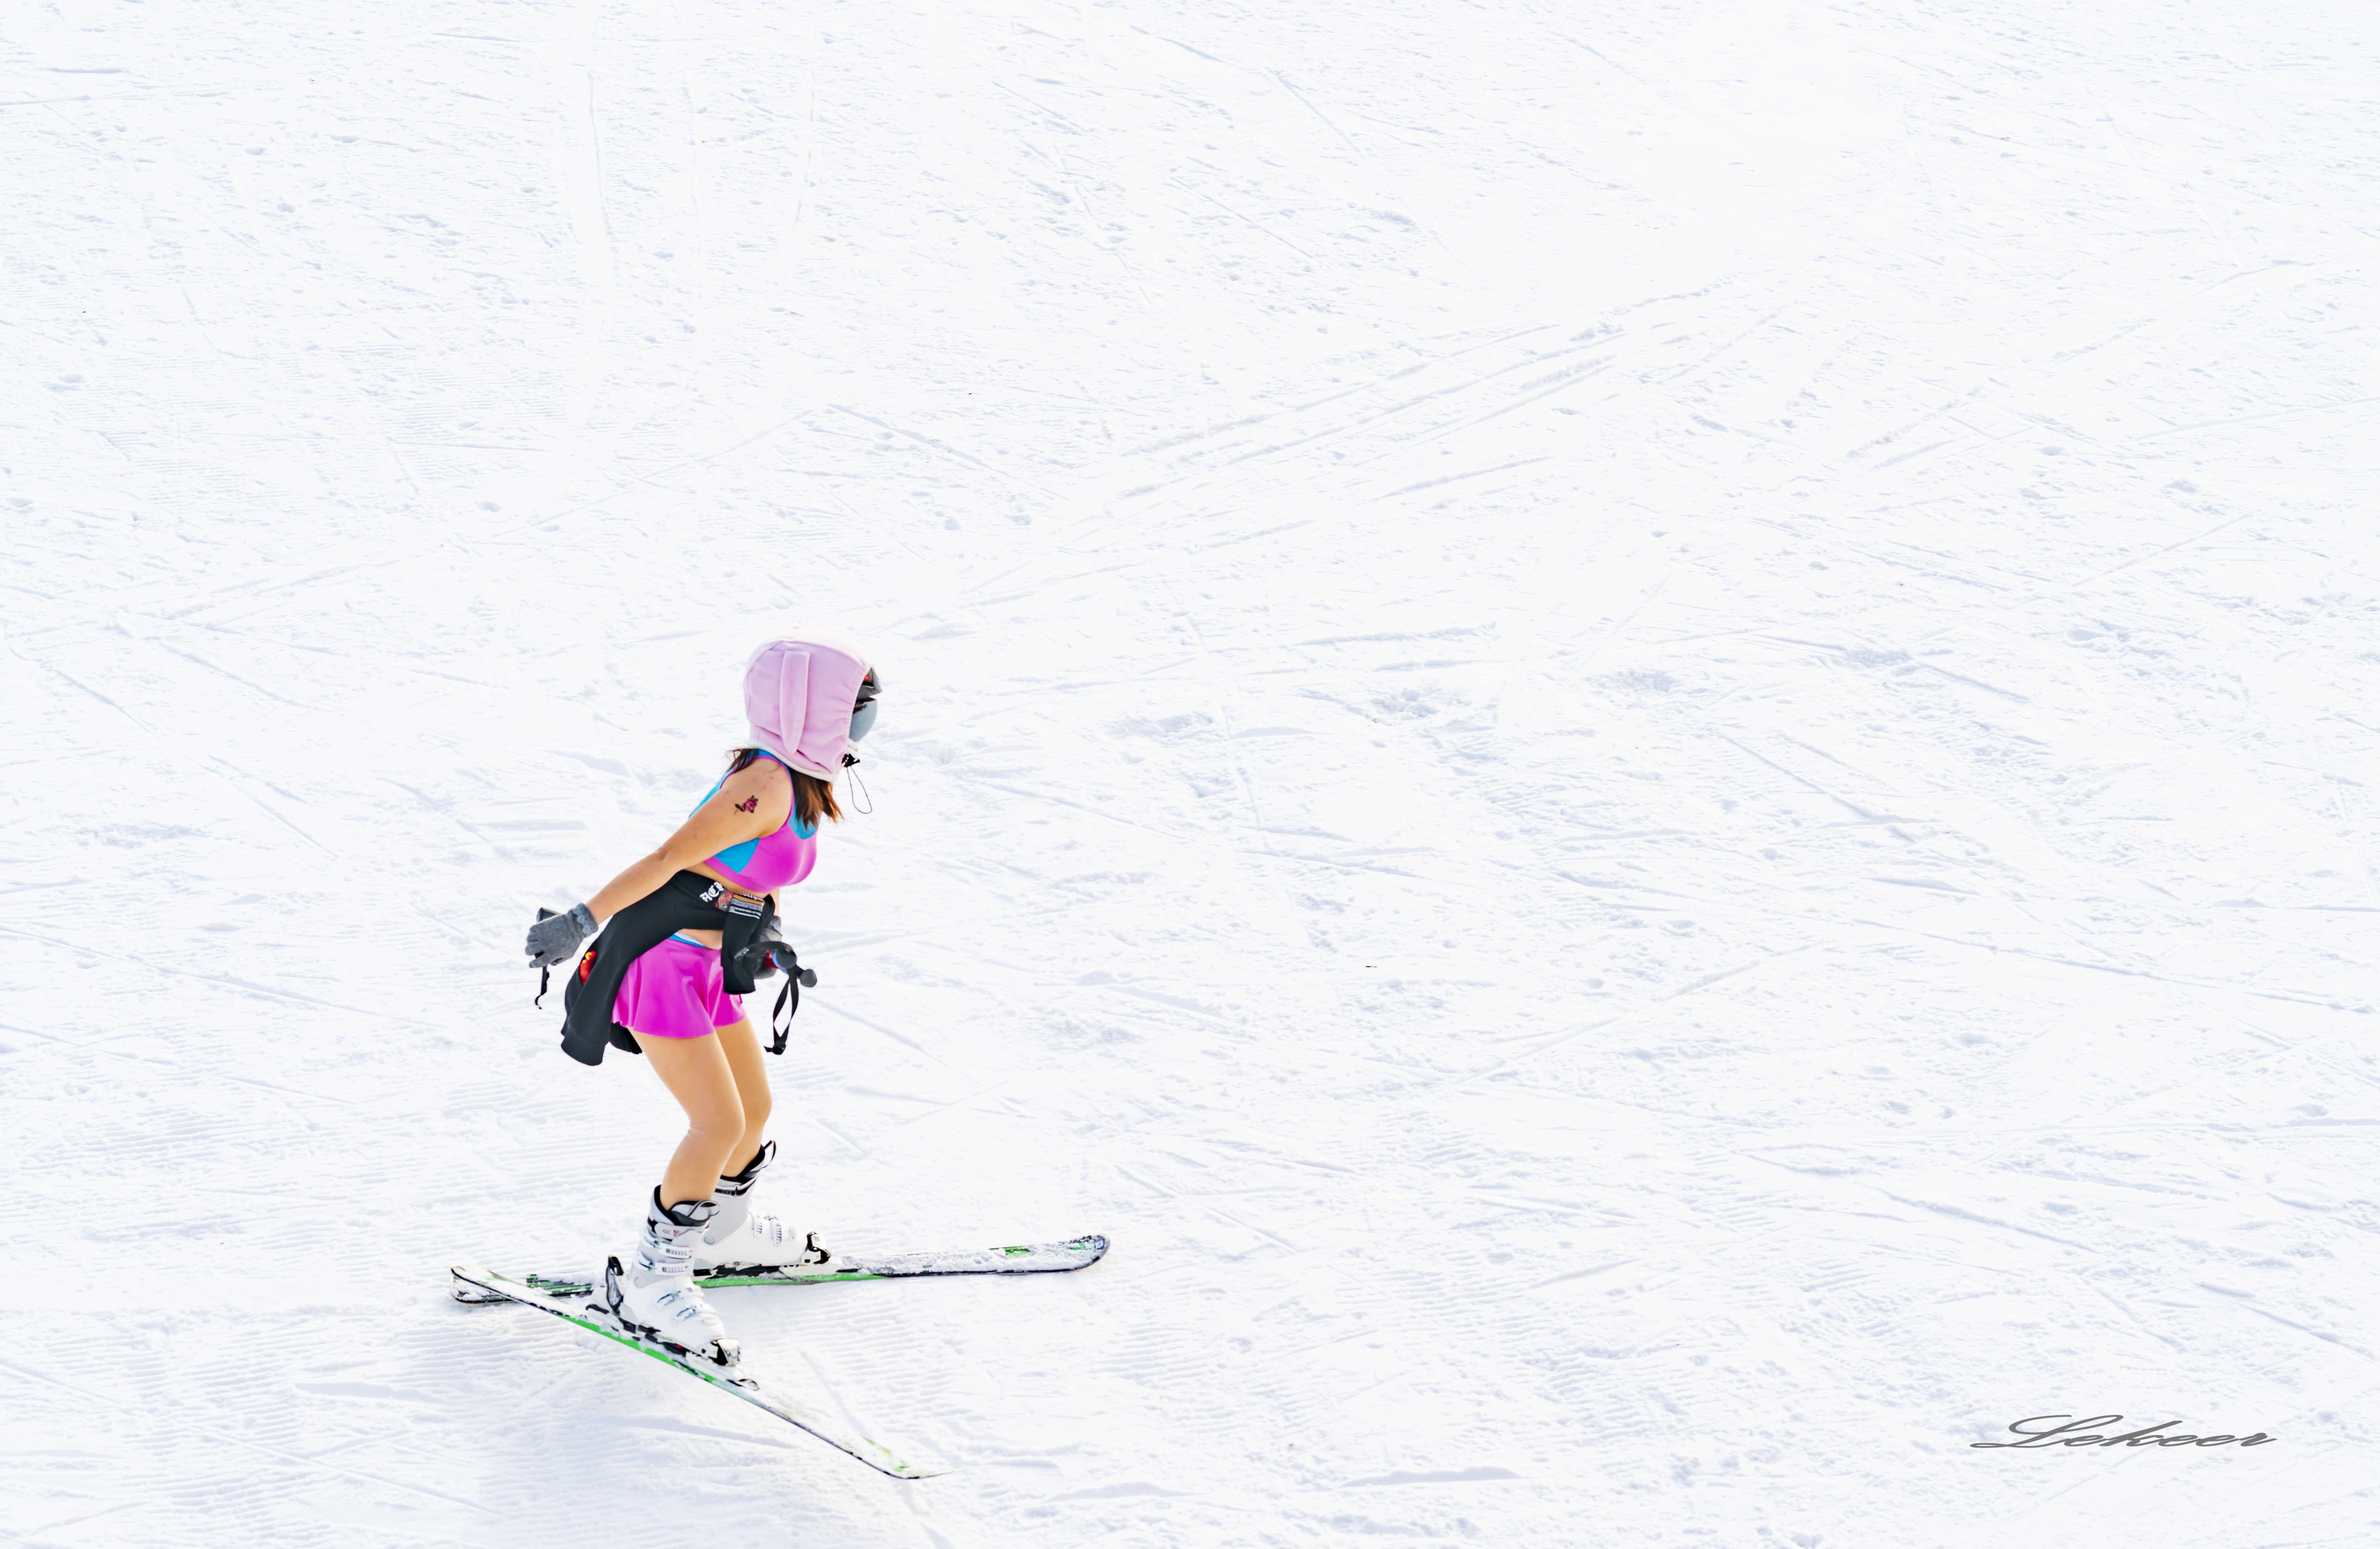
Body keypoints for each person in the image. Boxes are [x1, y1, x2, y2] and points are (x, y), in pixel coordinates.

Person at [522, 634, 881, 1364]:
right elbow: (668, 862)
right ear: (809, 713)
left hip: (710, 966)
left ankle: (722, 1233)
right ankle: (649, 1281)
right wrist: (580, 923)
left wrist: (766, 936)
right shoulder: (764, 784)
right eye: (855, 713)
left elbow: (750, 878)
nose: (860, 730)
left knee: (753, 1114)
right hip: (662, 968)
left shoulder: (803, 782)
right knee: (714, 1123)